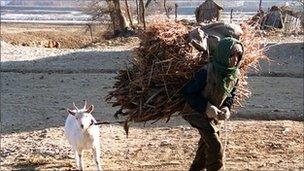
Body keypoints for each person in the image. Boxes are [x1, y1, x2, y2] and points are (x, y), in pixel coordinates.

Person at [181, 37, 244, 171]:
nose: (235, 59)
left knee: (206, 146)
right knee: (215, 147)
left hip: (213, 117)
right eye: (231, 55)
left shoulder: (234, 74)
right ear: (222, 54)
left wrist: (227, 107)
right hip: (195, 113)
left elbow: (230, 93)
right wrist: (206, 106)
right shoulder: (206, 71)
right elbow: (188, 93)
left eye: (238, 55)